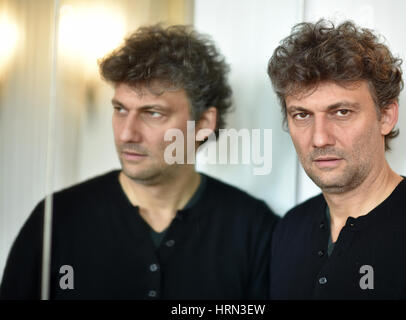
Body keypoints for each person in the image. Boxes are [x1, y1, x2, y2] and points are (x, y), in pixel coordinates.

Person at [0, 25, 278, 300]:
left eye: (153, 113)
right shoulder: (58, 218)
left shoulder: (252, 227)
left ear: (204, 123)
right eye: (120, 109)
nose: (126, 133)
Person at [267, 19, 406, 299]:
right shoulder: (289, 228)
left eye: (341, 112)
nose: (320, 138)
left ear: (385, 116)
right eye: (302, 115)